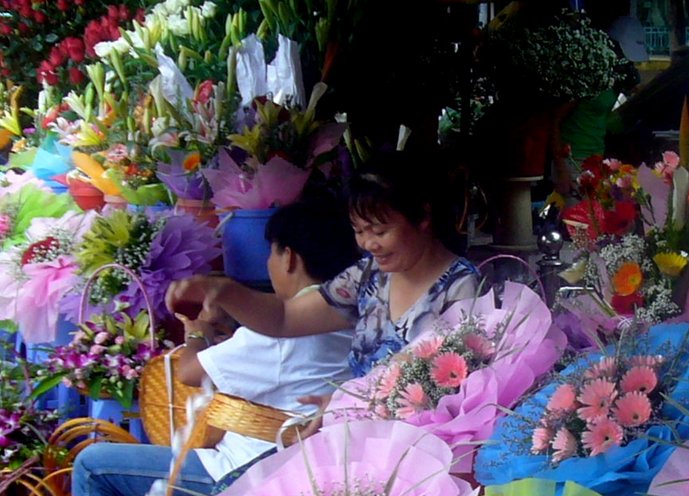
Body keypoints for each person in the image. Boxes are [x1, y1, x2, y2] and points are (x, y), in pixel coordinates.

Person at [72, 199, 361, 496]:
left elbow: (190, 372)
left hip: (248, 473)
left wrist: (197, 331)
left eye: (272, 254)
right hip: (302, 464)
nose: (270, 265)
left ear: (288, 257)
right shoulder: (350, 312)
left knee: (93, 466)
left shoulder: (280, 332)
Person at [167, 152, 480, 381]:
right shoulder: (368, 276)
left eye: (380, 231)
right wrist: (224, 292)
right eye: (359, 231)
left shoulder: (461, 288)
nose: (368, 244)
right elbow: (284, 318)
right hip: (354, 431)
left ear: (423, 217)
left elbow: (445, 386)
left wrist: (350, 403)